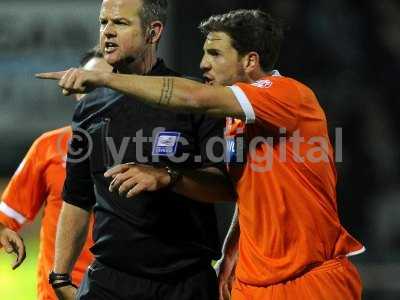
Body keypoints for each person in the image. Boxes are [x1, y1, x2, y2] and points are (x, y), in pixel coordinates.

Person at [38, 8, 366, 300]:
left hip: (308, 280)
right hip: (252, 284)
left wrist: (103, 78)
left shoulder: (288, 95)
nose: (202, 63)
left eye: (214, 54)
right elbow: (244, 193)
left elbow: (192, 98)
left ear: (250, 61)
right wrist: (231, 252)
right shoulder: (238, 125)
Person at [39, 0, 233, 299]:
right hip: (109, 282)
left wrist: (168, 176)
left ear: (153, 32)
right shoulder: (89, 107)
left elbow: (224, 187)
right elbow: (77, 198)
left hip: (183, 284)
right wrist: (60, 276)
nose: (107, 32)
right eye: (103, 22)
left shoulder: (194, 98)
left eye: (120, 23)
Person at [0, 48, 112, 300]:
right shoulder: (49, 147)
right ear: (75, 91)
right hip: (58, 294)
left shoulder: (142, 149)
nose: (99, 93)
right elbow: (5, 220)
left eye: (108, 84)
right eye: (90, 83)